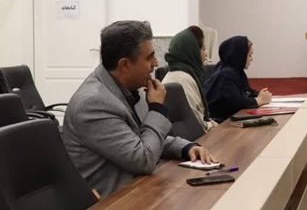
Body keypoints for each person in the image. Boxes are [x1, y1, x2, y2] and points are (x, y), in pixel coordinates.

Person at [63, 20, 216, 198]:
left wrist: (186, 148)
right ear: (125, 65)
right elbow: (143, 158)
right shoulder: (94, 103)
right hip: (114, 204)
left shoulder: (128, 87)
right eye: (150, 57)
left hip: (140, 190)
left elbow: (147, 138)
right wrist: (157, 109)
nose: (156, 63)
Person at [203, 35, 272, 120]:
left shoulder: (236, 71)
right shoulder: (226, 74)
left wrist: (261, 94)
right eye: (249, 55)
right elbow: (236, 101)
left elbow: (247, 91)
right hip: (220, 122)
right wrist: (258, 100)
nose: (251, 59)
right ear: (240, 56)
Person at [162, 25, 216, 132]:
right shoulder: (182, 80)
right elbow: (196, 123)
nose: (206, 54)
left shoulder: (183, 75)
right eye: (203, 49)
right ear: (192, 52)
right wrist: (212, 125)